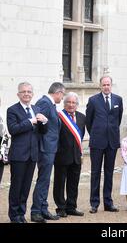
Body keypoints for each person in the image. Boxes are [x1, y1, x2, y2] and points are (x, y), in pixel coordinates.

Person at [6, 82, 48, 223]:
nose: (26, 94)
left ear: (32, 94)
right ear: (18, 94)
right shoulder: (12, 110)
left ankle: (21, 214)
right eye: (23, 91)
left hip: (32, 154)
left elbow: (42, 132)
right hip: (19, 155)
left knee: (26, 187)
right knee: (16, 186)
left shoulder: (36, 108)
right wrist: (30, 121)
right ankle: (14, 215)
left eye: (29, 91)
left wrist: (44, 123)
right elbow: (13, 129)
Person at [86, 75, 123, 213]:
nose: (106, 87)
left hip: (112, 142)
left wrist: (110, 132)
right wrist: (97, 133)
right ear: (100, 86)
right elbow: (88, 122)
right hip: (97, 142)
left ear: (111, 85)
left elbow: (118, 119)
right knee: (95, 173)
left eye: (108, 84)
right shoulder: (93, 100)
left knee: (109, 173)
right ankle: (94, 203)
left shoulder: (118, 100)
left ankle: (108, 202)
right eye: (104, 85)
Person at [31, 82, 66, 223]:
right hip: (45, 148)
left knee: (45, 180)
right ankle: (36, 212)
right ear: (58, 92)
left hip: (50, 148)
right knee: (43, 180)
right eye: (62, 95)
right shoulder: (45, 103)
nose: (62, 98)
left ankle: (43, 209)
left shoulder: (49, 104)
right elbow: (38, 124)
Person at [53, 92, 86, 217]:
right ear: (64, 103)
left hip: (76, 156)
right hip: (61, 156)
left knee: (74, 183)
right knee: (60, 183)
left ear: (77, 104)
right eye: (68, 102)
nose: (71, 105)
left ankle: (71, 206)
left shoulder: (82, 117)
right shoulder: (58, 116)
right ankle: (61, 207)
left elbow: (81, 136)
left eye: (73, 103)